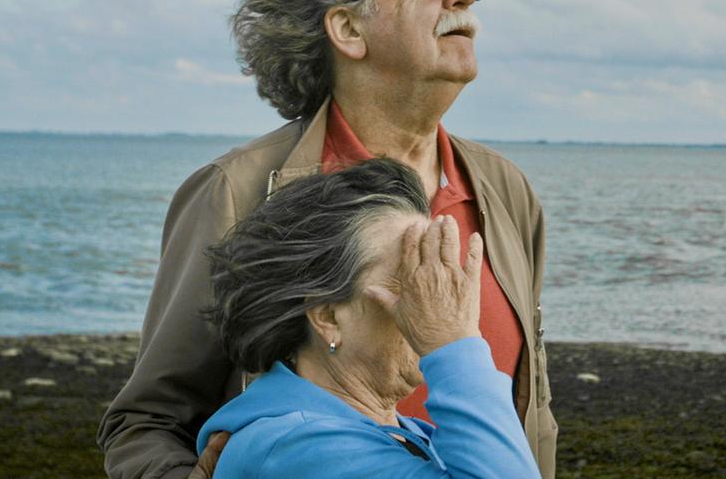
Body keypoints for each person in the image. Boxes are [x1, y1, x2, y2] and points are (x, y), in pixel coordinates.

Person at [97, 0, 556, 478]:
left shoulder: (505, 190)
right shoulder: (237, 190)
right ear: (347, 29)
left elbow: (528, 410)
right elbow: (146, 422)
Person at [197, 158, 539, 478]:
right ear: (328, 315)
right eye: (413, 280)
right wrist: (454, 342)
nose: (440, 299)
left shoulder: (402, 433)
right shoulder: (298, 445)